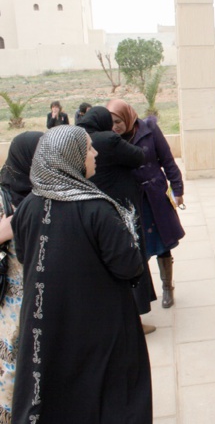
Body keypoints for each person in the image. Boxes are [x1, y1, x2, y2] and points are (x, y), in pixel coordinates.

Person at [10, 125, 151, 422]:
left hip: (47, 326)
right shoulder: (97, 210)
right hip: (101, 328)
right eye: (88, 148)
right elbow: (129, 266)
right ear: (69, 157)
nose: (95, 153)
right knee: (109, 397)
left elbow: (25, 256)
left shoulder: (28, 207)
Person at [77, 106, 155, 333]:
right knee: (130, 257)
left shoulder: (77, 137)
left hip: (93, 208)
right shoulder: (108, 140)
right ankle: (134, 320)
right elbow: (139, 156)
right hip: (121, 208)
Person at [108, 99, 185, 309]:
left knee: (162, 243)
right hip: (131, 199)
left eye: (118, 121)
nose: (115, 126)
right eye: (110, 122)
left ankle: (168, 287)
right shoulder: (110, 140)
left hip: (155, 196)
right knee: (139, 246)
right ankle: (141, 294)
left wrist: (177, 189)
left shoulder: (149, 129)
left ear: (127, 117)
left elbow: (167, 160)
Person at [0, 131, 43, 422]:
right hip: (13, 302)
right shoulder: (5, 197)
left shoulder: (44, 192)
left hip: (43, 294)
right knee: (14, 366)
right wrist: (21, 217)